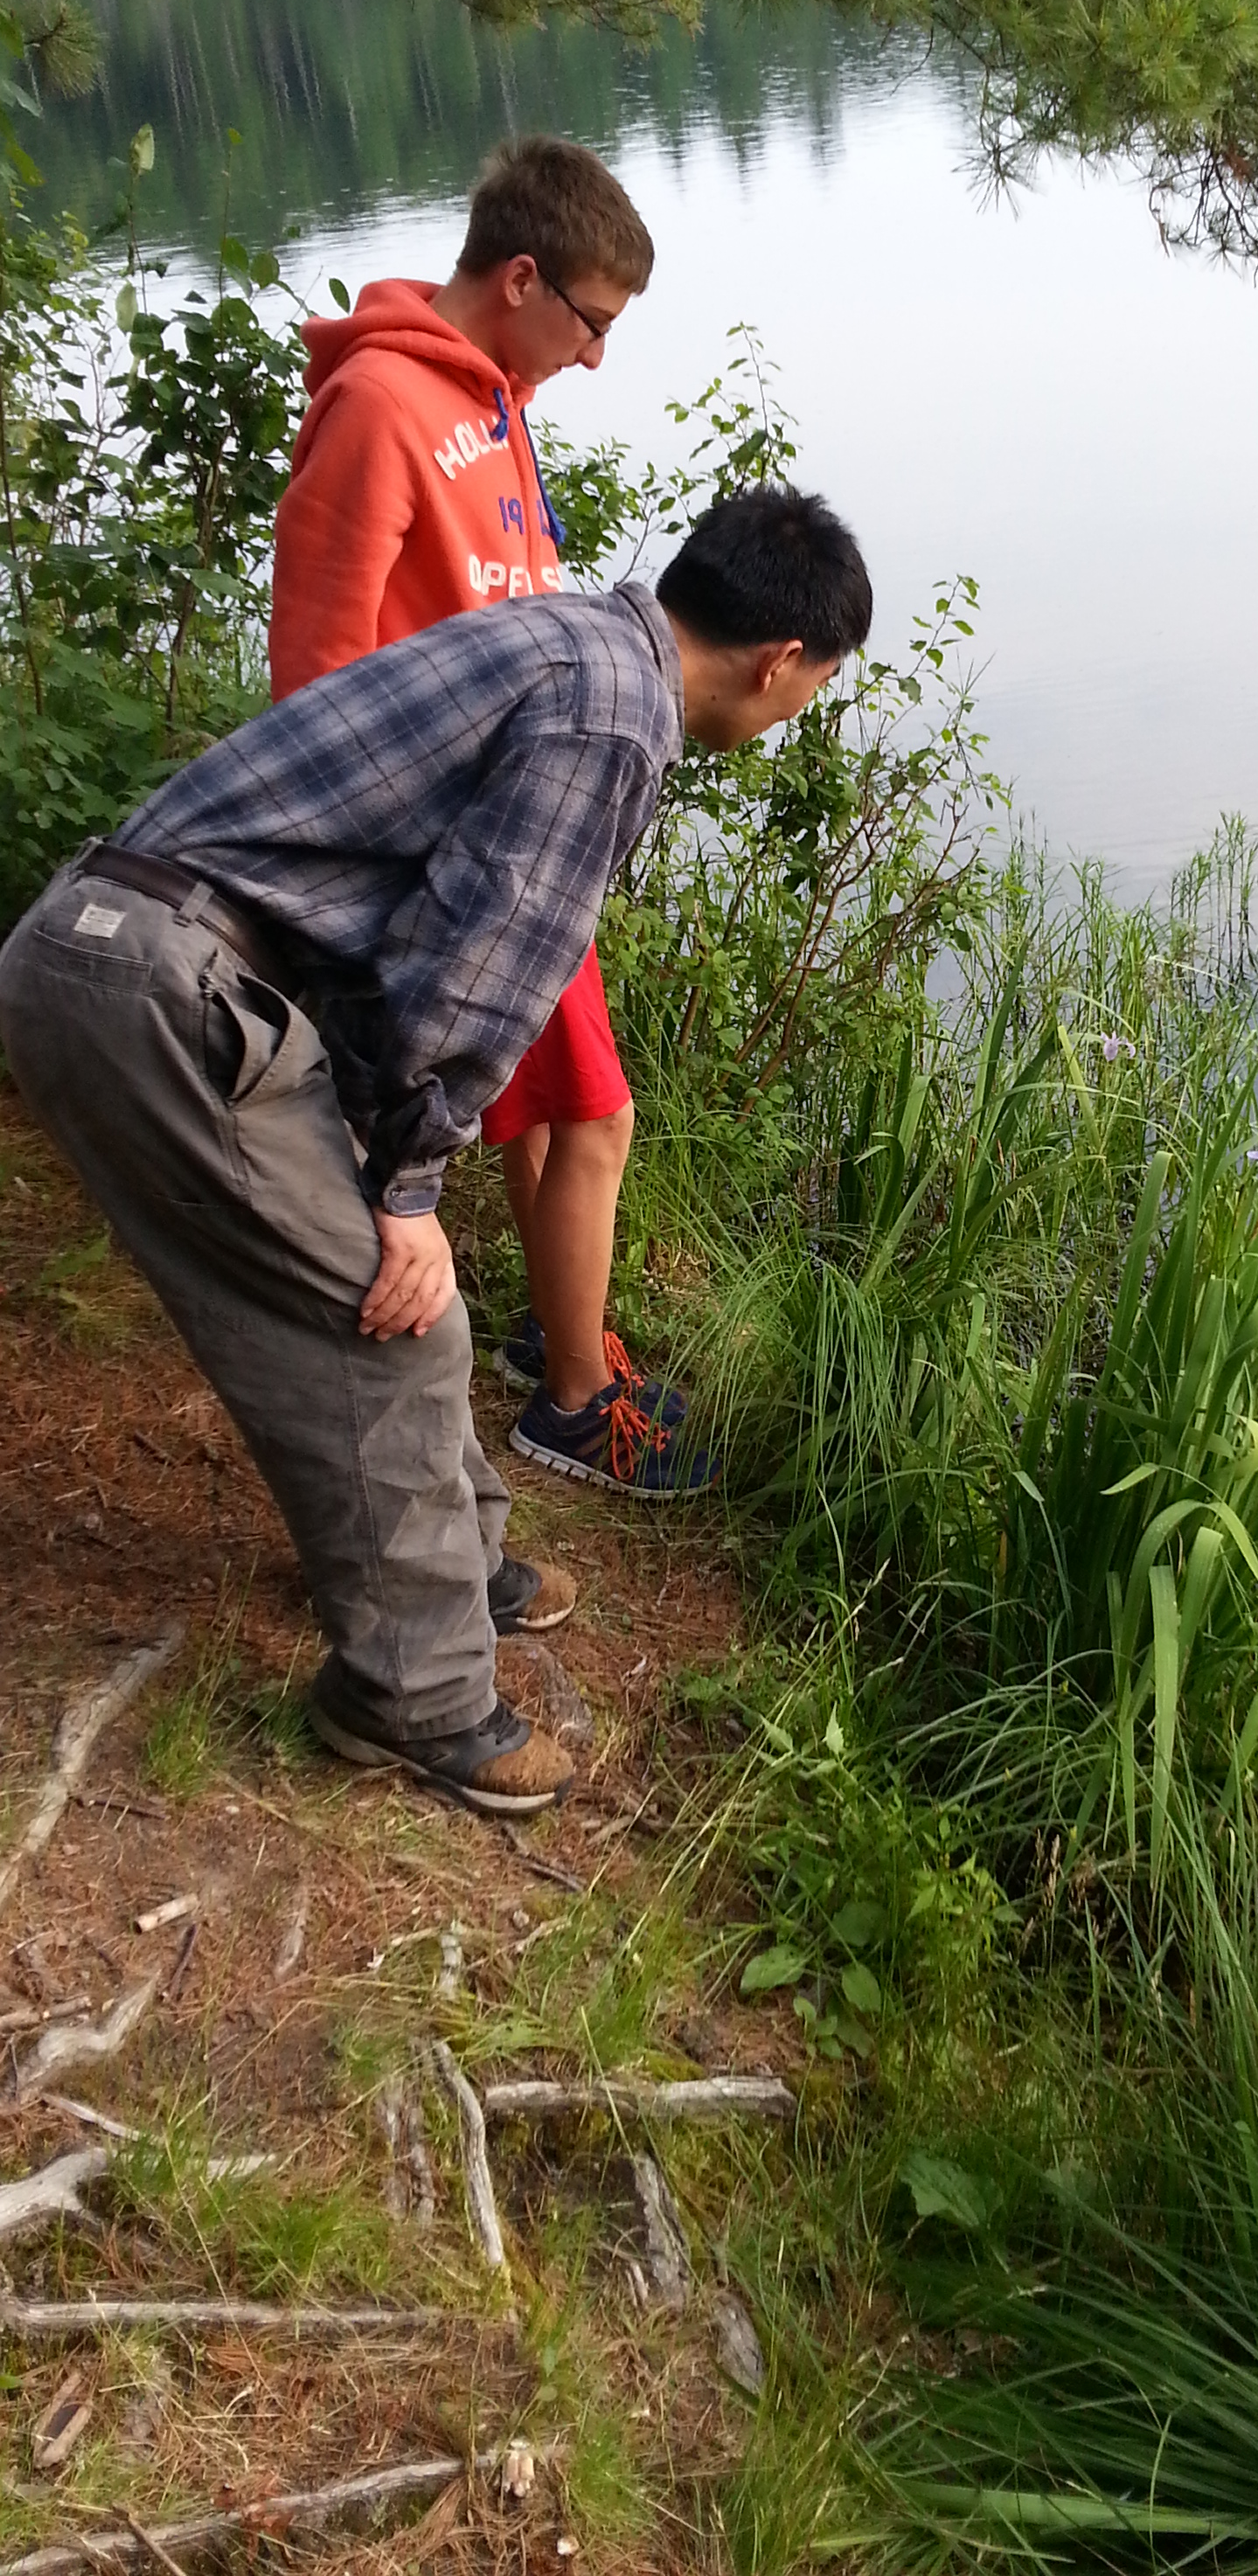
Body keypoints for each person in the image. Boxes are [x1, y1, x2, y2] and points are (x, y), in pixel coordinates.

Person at [0, 489, 872, 1817]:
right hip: (160, 991)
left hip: (125, 955)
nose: (799, 710)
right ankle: (414, 1697)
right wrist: (406, 1189)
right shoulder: (614, 717)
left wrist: (384, 1155)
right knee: (392, 1320)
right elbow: (473, 963)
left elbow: (399, 926)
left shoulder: (577, 639)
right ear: (782, 662)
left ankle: (462, 1569)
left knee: (401, 1306)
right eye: (817, 689)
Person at [269, 134, 691, 1493]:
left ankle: (554, 1341)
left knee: (549, 1112)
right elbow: (315, 683)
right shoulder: (378, 405)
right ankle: (574, 1405)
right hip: (454, 852)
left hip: (524, 815)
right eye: (593, 322)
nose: (598, 357)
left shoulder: (500, 401)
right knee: (598, 1118)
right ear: (521, 279)